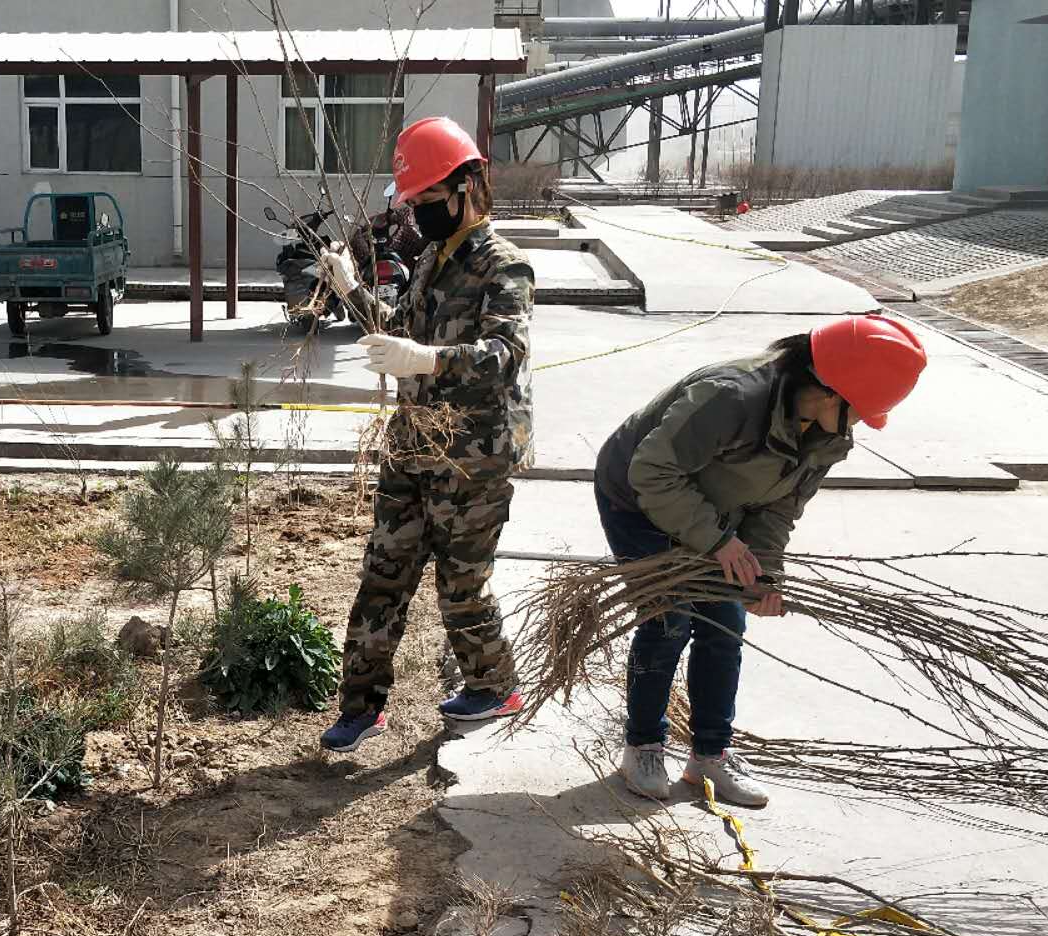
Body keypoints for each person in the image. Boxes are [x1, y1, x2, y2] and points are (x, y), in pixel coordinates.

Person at [595, 314, 928, 806]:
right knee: (670, 620)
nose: (860, 424)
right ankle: (643, 747)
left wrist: (764, 574)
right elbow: (654, 472)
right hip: (638, 498)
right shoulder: (730, 397)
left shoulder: (828, 437)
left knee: (725, 624)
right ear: (830, 393)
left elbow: (779, 508)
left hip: (716, 510)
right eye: (861, 412)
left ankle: (710, 755)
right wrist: (717, 542)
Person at [311, 116, 536, 752]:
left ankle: (493, 686)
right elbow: (399, 332)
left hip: (473, 456)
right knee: (383, 573)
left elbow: (505, 354)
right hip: (412, 442)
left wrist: (429, 360)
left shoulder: (504, 267)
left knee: (461, 582)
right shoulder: (430, 260)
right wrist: (352, 291)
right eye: (413, 202)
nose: (419, 213)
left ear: (466, 188)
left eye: (428, 199)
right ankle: (361, 708)